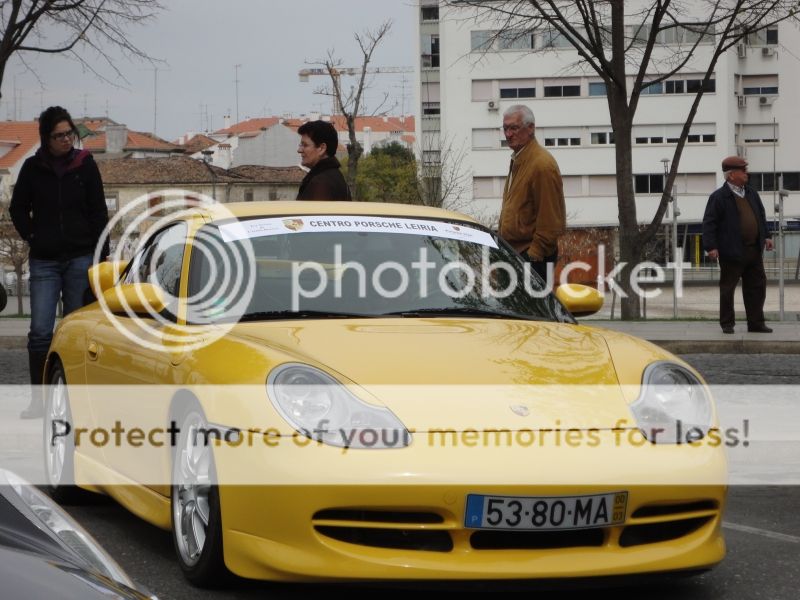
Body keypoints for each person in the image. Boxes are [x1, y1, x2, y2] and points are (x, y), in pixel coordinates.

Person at [9, 106, 109, 418]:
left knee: (76, 332)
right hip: (45, 261)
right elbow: (17, 208)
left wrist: (99, 255)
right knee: (40, 332)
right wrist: (33, 237)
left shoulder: (85, 165)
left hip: (81, 258)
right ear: (46, 138)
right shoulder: (32, 169)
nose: (66, 140)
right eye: (59, 135)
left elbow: (98, 211)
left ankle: (76, 403)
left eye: (69, 133)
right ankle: (40, 401)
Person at [702, 155, 773, 334]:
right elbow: (709, 223)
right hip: (731, 252)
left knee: (756, 288)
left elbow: (761, 217)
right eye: (743, 170)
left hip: (754, 251)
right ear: (732, 175)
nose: (746, 173)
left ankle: (756, 323)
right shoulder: (719, 197)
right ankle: (727, 324)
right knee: (727, 289)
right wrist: (711, 247)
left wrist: (767, 235)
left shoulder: (751, 193)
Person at [498, 104, 566, 283]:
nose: (508, 134)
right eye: (505, 128)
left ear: (531, 128)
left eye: (514, 128)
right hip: (514, 255)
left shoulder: (542, 165)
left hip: (531, 259)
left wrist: (533, 256)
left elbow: (551, 221)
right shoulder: (519, 159)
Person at [296, 120, 352, 201]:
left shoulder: (321, 183)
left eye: (305, 145)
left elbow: (315, 213)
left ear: (322, 148)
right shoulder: (335, 176)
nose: (299, 150)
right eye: (301, 145)